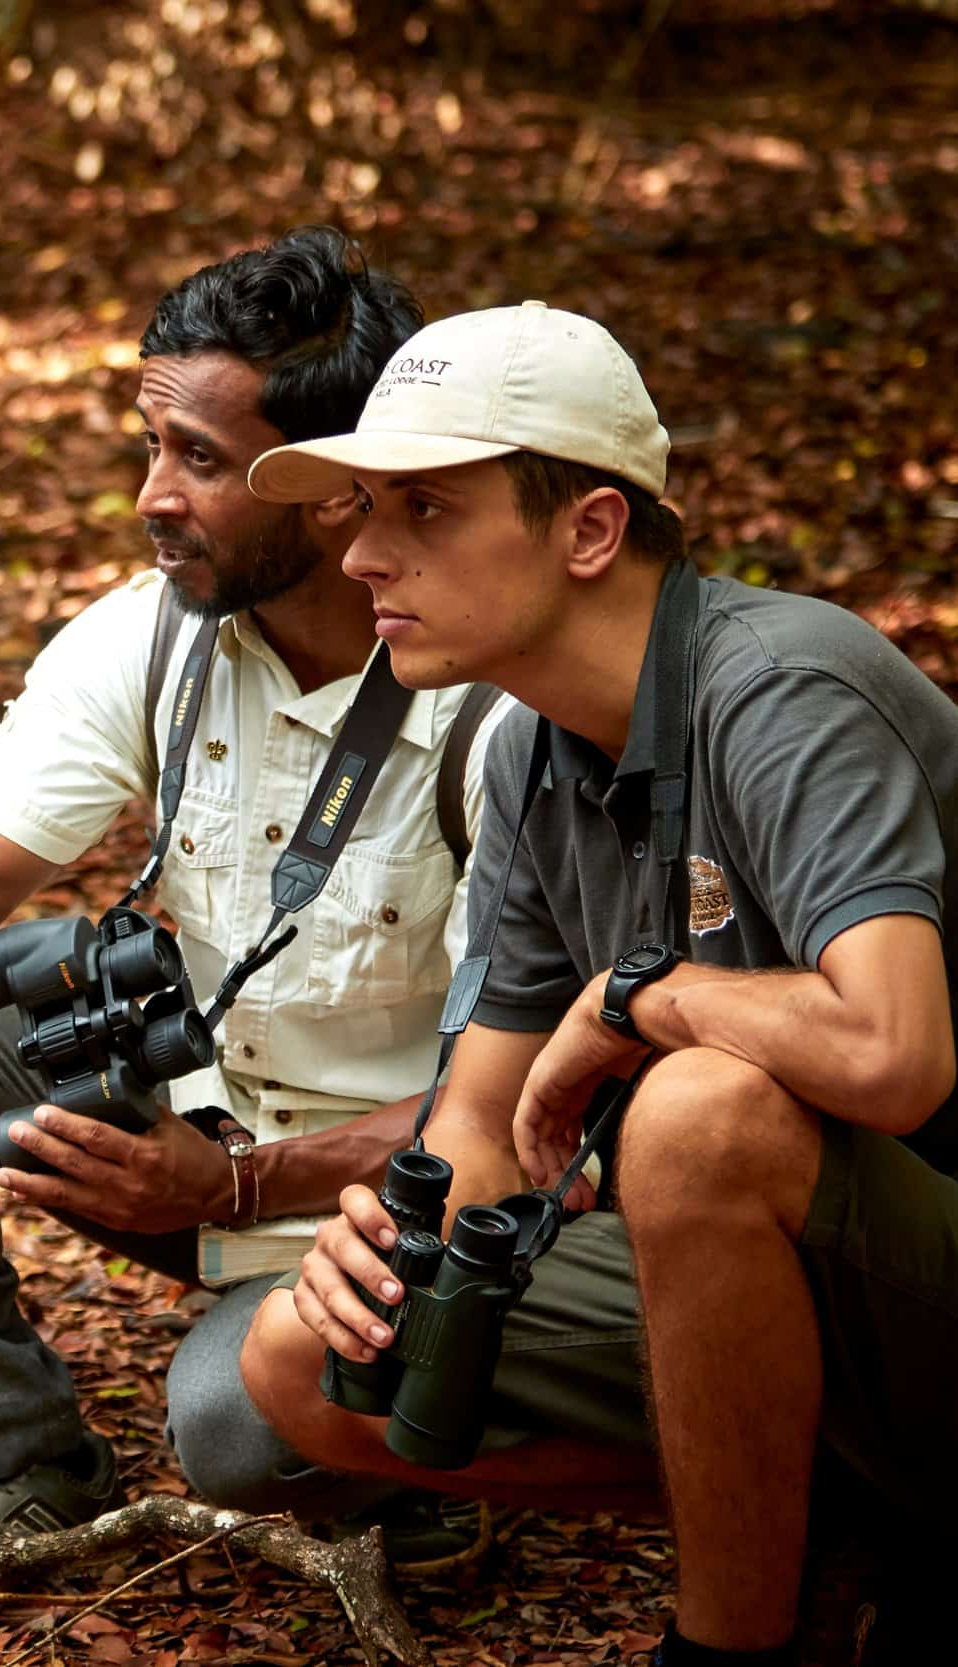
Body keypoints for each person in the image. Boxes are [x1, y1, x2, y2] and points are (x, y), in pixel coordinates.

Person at [0, 228, 517, 1619]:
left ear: (321, 491)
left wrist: (239, 1187)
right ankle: (17, 1460)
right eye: (149, 446)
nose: (150, 496)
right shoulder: (159, 631)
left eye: (194, 457)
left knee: (227, 1434)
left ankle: (421, 1449)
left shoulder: (485, 699)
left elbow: (533, 1101)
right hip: (202, 1122)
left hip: (406, 1188)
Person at [237, 301, 958, 1666]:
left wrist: (647, 999)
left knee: (697, 1114)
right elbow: (479, 1120)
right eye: (362, 507)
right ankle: (843, 1531)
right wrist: (395, 1248)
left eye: (426, 510)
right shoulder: (525, 748)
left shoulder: (782, 687)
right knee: (295, 1359)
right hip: (804, 1283)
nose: (362, 549)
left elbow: (897, 1051)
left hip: (922, 1257)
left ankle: (734, 1641)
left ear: (591, 530)